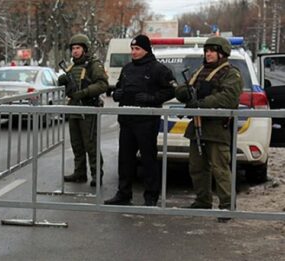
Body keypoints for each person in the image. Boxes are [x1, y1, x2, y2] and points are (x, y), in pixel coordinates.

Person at [175, 36, 242, 221]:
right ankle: (203, 200)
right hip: (197, 126)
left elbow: (228, 98)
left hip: (217, 129)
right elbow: (183, 89)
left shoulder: (231, 73)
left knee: (220, 169)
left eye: (212, 50)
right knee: (197, 167)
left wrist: (201, 103)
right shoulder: (200, 71)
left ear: (222, 53)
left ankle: (227, 207)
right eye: (207, 51)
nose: (208, 54)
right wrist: (184, 93)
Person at [104, 35, 176, 206]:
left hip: (146, 122)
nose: (134, 52)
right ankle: (123, 194)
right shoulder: (127, 68)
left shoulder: (158, 69)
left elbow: (170, 91)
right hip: (127, 121)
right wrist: (117, 94)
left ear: (146, 50)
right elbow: (119, 88)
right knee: (125, 159)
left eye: (137, 49)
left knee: (148, 160)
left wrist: (151, 98)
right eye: (132, 49)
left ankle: (151, 197)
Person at [58, 33, 109, 187]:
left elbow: (102, 84)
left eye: (78, 48)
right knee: (77, 144)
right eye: (73, 48)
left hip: (88, 109)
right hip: (74, 108)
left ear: (85, 49)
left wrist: (85, 92)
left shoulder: (94, 65)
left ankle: (96, 174)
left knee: (91, 144)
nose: (75, 51)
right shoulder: (72, 66)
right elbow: (68, 87)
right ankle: (79, 173)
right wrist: (62, 82)